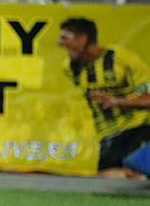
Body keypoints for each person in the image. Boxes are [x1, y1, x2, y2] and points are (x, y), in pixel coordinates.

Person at [57, 18, 150, 178]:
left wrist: (117, 101)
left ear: (83, 38)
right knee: (107, 178)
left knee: (136, 173)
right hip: (108, 133)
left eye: (65, 37)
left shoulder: (122, 59)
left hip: (138, 128)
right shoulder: (70, 67)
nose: (59, 43)